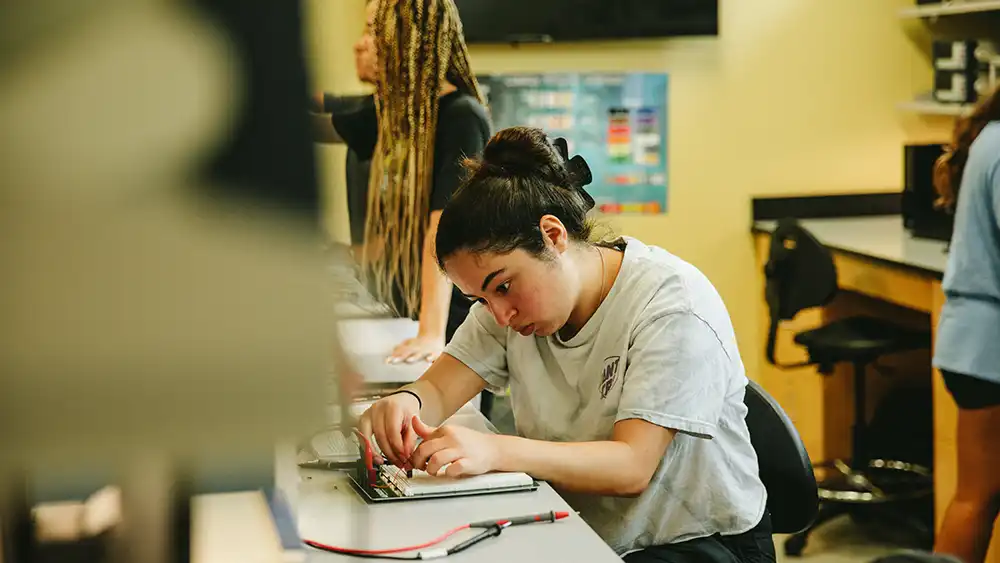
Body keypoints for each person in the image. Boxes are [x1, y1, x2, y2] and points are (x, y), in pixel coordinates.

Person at [358, 126, 775, 562]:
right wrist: (405, 403)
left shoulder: (672, 305)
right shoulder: (509, 309)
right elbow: (439, 389)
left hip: (693, 545)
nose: (499, 315)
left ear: (552, 236)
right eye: (480, 299)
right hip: (587, 528)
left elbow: (632, 465)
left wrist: (494, 449)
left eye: (502, 286)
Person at [309, 0, 492, 369]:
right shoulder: (397, 112)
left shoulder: (460, 116)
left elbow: (441, 230)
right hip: (406, 311)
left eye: (372, 33)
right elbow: (314, 121)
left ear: (406, 40)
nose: (360, 44)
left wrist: (430, 332)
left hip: (450, 321)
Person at [931, 83, 1000, 563]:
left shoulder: (989, 136)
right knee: (979, 495)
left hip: (971, 344)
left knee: (976, 494)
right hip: (988, 349)